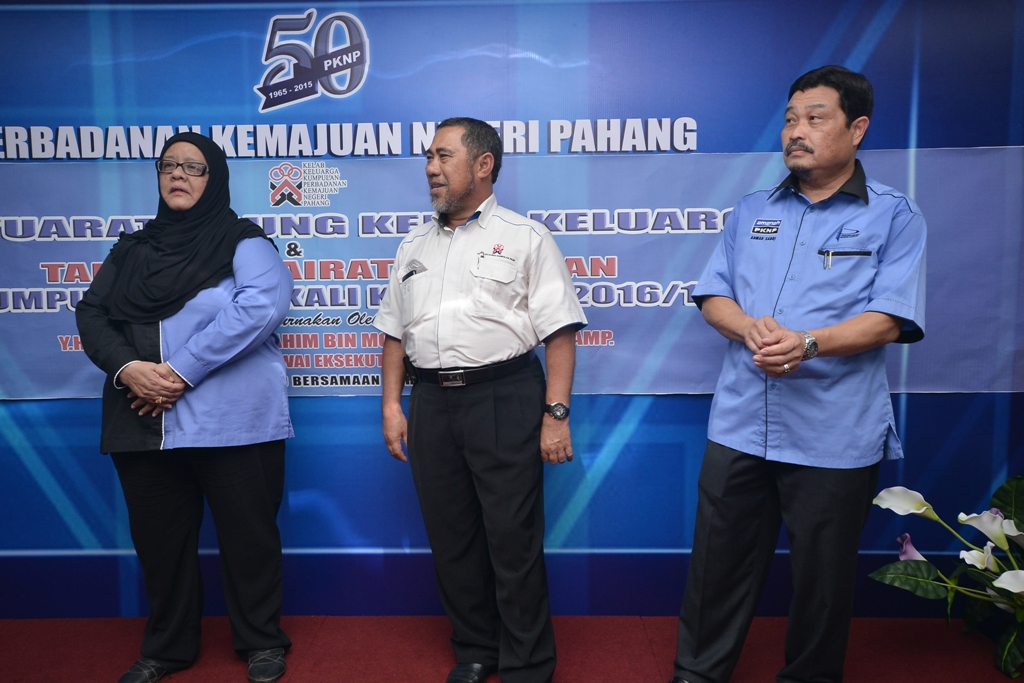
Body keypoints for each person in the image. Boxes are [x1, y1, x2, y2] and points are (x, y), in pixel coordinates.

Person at [669, 66, 927, 683]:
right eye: (789, 119)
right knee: (716, 566)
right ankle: (696, 674)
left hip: (834, 431)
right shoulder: (752, 209)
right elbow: (713, 295)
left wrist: (808, 344)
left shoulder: (894, 215)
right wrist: (748, 329)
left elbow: (890, 320)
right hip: (740, 423)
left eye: (814, 118)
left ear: (856, 129)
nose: (796, 131)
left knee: (822, 578)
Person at [75, 132, 295, 683]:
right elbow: (93, 314)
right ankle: (168, 648)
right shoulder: (132, 250)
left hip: (234, 425)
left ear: (214, 179)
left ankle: (261, 642)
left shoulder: (244, 242)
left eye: (194, 167)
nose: (178, 174)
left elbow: (261, 306)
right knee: (161, 546)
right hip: (142, 421)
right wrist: (129, 368)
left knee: (249, 539)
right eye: (169, 165)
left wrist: (179, 370)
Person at [374, 117, 587, 683]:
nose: (431, 168)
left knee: (512, 540)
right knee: (452, 537)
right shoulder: (413, 245)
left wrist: (556, 414)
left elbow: (560, 333)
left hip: (504, 396)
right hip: (431, 403)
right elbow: (394, 334)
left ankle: (527, 663)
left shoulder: (526, 237)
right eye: (428, 157)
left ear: (484, 164)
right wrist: (392, 406)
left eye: (443, 156)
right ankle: (475, 649)